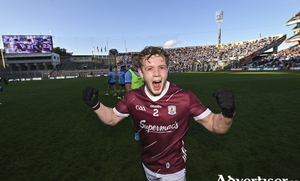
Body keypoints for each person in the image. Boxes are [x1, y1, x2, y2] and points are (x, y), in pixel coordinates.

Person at [82, 46, 236, 181]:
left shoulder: (185, 97)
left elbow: (217, 127)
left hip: (173, 169)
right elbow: (111, 119)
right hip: (148, 164)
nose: (156, 74)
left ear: (167, 70)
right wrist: (96, 105)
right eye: (150, 68)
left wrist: (228, 113)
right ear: (141, 72)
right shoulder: (132, 97)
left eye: (161, 67)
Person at [124, 53, 145, 140]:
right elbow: (128, 89)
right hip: (135, 99)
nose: (138, 61)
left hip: (145, 98)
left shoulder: (144, 72)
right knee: (135, 118)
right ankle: (137, 132)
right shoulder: (129, 74)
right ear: (132, 61)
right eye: (136, 59)